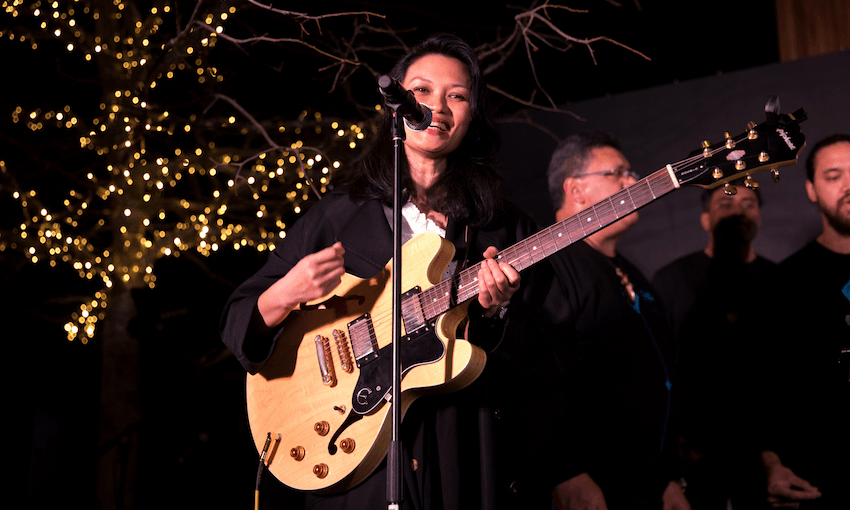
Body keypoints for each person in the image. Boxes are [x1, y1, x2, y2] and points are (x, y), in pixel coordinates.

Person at [219, 33, 537, 510]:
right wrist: (286, 293)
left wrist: (496, 311)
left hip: (456, 443)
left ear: (473, 115)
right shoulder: (336, 215)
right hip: (352, 447)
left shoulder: (500, 224)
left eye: (458, 95)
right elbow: (237, 321)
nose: (439, 107)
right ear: (396, 107)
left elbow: (542, 354)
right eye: (423, 91)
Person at [513, 131, 691, 510]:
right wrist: (565, 472)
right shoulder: (549, 268)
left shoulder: (632, 272)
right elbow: (532, 378)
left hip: (649, 486)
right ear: (576, 190)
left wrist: (667, 477)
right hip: (593, 488)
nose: (634, 182)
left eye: (633, 172)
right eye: (619, 173)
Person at [652, 184, 776, 509]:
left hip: (762, 445)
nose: (738, 211)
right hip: (692, 446)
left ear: (760, 215)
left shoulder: (781, 281)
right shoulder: (671, 280)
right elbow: (656, 367)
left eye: (749, 203)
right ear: (705, 219)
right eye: (726, 204)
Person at [757, 133, 850, 509]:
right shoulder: (782, 284)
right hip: (820, 484)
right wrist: (769, 464)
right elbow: (761, 388)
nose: (849, 185)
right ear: (811, 190)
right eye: (834, 175)